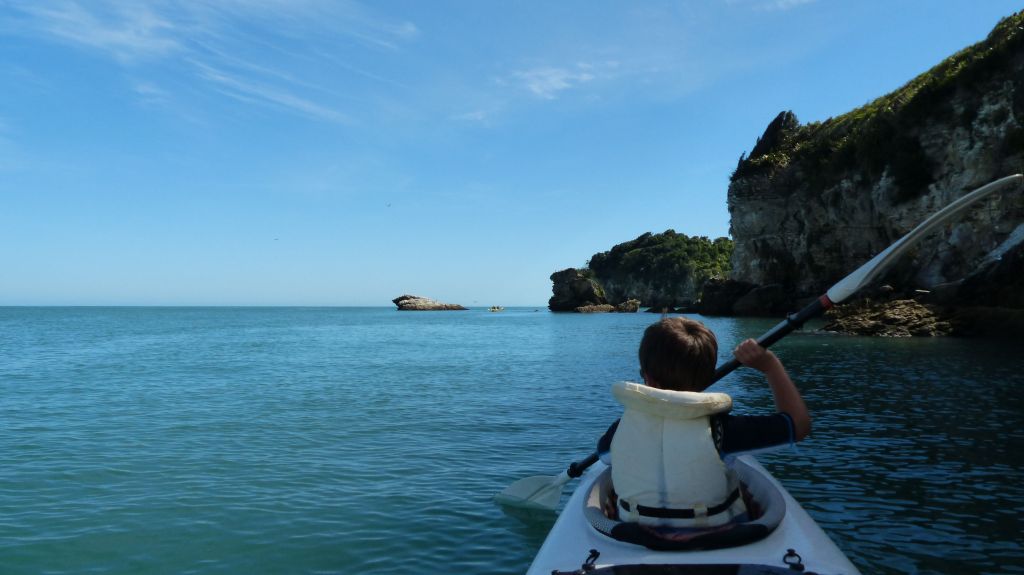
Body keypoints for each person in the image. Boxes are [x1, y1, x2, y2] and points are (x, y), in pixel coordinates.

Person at [597, 317, 810, 528]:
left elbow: (605, 458)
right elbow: (798, 425)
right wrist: (771, 367)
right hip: (718, 536)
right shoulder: (723, 431)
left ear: (648, 379)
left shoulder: (618, 431)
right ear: (707, 378)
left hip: (636, 537)